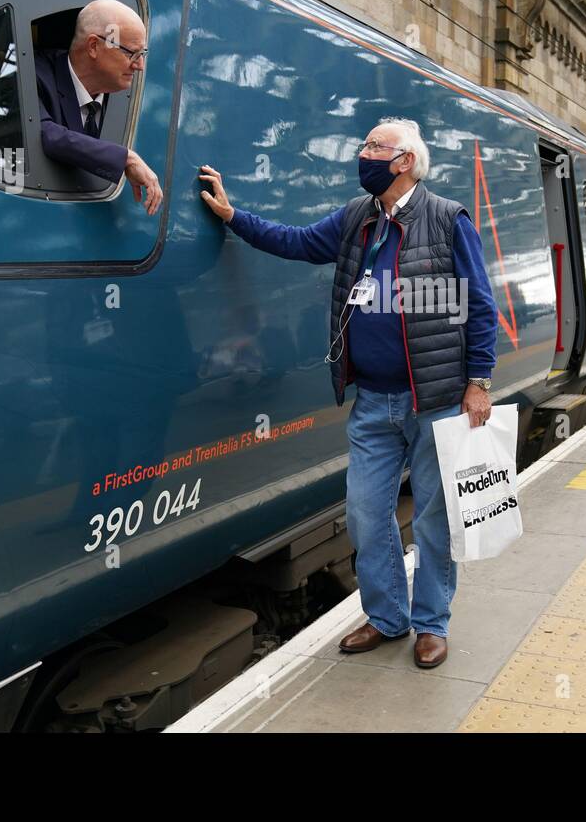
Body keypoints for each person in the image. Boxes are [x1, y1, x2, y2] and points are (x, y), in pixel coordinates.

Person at [199, 118, 498, 670]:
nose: (363, 154)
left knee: (432, 518)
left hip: (432, 400)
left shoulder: (447, 219)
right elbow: (298, 242)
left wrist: (478, 383)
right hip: (374, 402)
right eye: (365, 145)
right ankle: (388, 617)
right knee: (364, 514)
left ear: (403, 160)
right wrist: (233, 216)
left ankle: (431, 623)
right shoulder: (359, 218)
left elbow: (479, 305)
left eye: (373, 147)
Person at [34, 0, 162, 214]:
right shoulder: (35, 74)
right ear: (94, 46)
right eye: (132, 53)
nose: (140, 65)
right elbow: (44, 133)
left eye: (143, 54)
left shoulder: (121, 97)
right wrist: (126, 159)